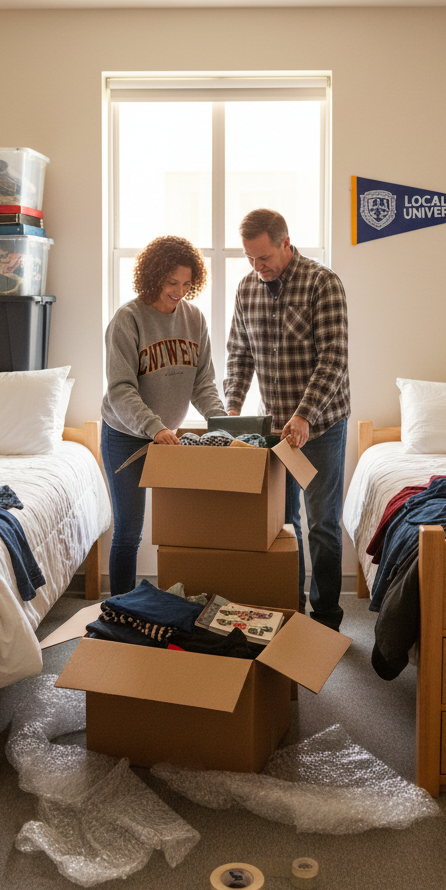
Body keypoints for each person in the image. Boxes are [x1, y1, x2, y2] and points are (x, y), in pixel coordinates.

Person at [225, 208, 350, 631]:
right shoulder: (246, 289)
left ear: (285, 243)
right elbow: (239, 354)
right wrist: (232, 407)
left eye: (264, 258)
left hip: (321, 427)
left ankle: (327, 619)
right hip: (277, 430)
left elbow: (333, 359)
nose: (258, 267)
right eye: (250, 259)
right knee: (284, 526)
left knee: (322, 526)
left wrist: (304, 415)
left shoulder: (323, 283)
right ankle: (290, 609)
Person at [101, 235, 226, 595]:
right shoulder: (128, 319)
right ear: (154, 276)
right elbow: (120, 389)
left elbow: (203, 383)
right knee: (128, 531)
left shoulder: (194, 319)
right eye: (172, 283)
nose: (179, 291)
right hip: (126, 436)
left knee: (181, 530)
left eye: (187, 284)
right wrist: (154, 427)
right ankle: (120, 608)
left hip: (168, 438)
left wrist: (222, 425)